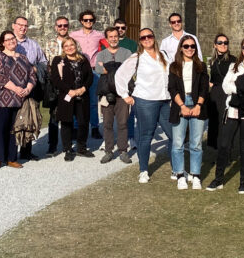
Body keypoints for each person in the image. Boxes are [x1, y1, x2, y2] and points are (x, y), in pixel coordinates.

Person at [205, 37, 244, 194]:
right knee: (224, 144)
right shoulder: (234, 66)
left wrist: (237, 85)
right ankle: (218, 179)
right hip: (232, 110)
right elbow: (225, 86)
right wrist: (241, 86)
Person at [114, 27, 174, 183]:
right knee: (145, 136)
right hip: (145, 101)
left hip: (165, 100)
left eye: (149, 36)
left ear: (154, 37)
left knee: (174, 135)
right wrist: (125, 95)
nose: (147, 39)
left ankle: (177, 168)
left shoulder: (164, 56)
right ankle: (144, 170)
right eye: (143, 37)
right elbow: (120, 75)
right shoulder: (137, 57)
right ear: (140, 41)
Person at [0, 16, 47, 160]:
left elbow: (39, 67)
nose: (23, 28)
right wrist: (11, 88)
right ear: (14, 26)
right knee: (1, 127)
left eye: (25, 25)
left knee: (22, 123)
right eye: (20, 25)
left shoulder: (30, 48)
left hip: (23, 94)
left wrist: (32, 79)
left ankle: (20, 154)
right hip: (2, 95)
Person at [0, 29, 36, 170]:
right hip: (0, 99)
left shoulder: (23, 58)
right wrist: (16, 88)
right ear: (3, 43)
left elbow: (32, 75)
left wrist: (28, 88)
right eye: (7, 39)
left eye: (12, 38)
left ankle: (11, 158)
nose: (11, 41)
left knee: (14, 129)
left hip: (18, 99)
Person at [168, 34, 209, 190]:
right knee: (178, 143)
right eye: (186, 46)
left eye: (192, 46)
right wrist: (182, 106)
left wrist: (198, 105)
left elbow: (205, 88)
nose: (190, 49)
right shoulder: (174, 66)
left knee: (196, 143)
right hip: (181, 103)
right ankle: (180, 175)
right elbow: (171, 88)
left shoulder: (201, 66)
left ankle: (195, 175)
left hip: (197, 103)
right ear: (181, 48)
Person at [49, 37, 94, 160]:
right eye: (66, 46)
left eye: (71, 45)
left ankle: (81, 148)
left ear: (76, 45)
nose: (69, 47)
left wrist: (83, 89)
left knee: (83, 122)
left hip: (82, 95)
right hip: (66, 95)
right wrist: (70, 91)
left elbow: (90, 76)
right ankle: (68, 149)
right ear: (63, 48)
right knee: (66, 122)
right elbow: (56, 79)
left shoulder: (83, 59)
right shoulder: (58, 60)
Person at [95, 27, 133, 164]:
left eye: (115, 36)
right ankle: (109, 151)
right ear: (106, 39)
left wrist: (108, 67)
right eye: (110, 36)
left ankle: (123, 150)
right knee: (107, 123)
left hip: (122, 94)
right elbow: (99, 69)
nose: (113, 39)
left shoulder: (127, 52)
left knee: (123, 123)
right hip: (106, 93)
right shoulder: (102, 54)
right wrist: (117, 67)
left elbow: (128, 70)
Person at [71, 10, 105, 138]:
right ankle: (75, 127)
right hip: (78, 69)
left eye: (91, 20)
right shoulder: (74, 35)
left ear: (94, 21)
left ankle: (94, 127)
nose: (88, 22)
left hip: (94, 69)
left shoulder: (99, 35)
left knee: (93, 100)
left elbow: (108, 47)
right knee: (77, 99)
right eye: (86, 20)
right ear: (81, 21)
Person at [43, 15, 71, 155]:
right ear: (56, 27)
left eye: (65, 25)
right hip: (54, 84)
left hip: (69, 84)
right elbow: (46, 63)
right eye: (60, 25)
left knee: (68, 114)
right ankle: (52, 145)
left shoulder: (73, 43)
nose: (62, 28)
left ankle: (68, 145)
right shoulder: (49, 43)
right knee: (53, 115)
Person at [206, 32, 236, 149]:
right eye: (220, 42)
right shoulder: (212, 61)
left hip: (227, 93)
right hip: (215, 93)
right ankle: (217, 150)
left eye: (225, 43)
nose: (223, 45)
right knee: (214, 122)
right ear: (215, 45)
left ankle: (225, 151)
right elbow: (212, 78)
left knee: (225, 122)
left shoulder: (233, 60)